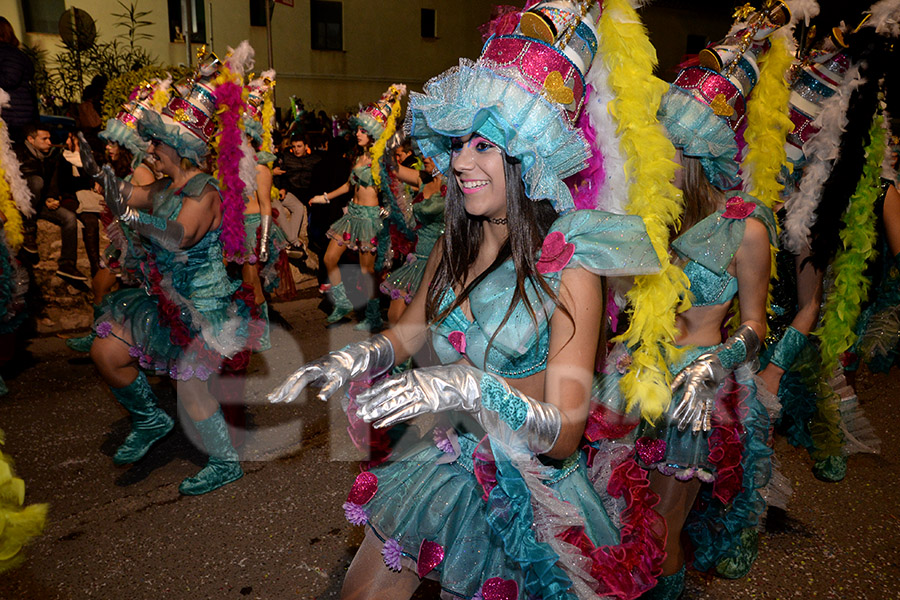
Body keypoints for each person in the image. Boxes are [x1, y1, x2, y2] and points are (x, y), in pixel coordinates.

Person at [269, 6, 671, 597]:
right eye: (458, 143)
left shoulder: (572, 267)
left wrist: (468, 386)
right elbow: (409, 331)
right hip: (446, 452)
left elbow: (564, 433)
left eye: (485, 147)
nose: (460, 162)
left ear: (529, 156)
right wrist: (352, 359)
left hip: (523, 488)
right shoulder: (452, 241)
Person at [85, 69, 259, 496]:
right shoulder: (163, 185)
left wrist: (134, 218)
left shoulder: (205, 191)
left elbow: (179, 234)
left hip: (204, 307)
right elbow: (126, 196)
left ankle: (225, 462)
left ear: (179, 147)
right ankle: (149, 418)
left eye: (156, 143)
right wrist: (102, 174)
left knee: (191, 389)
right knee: (106, 350)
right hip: (164, 301)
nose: (150, 149)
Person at [310, 85, 406, 331]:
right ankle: (342, 302)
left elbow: (393, 189)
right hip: (351, 215)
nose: (359, 133)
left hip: (370, 219)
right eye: (359, 130)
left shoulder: (382, 159)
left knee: (367, 273)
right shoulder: (359, 158)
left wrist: (386, 214)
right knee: (330, 258)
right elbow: (348, 185)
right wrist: (325, 197)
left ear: (374, 134)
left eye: (364, 130)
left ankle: (372, 317)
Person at [15, 123, 87, 284]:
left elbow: (53, 181)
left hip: (39, 204)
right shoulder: (19, 154)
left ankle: (67, 264)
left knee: (69, 218)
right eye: (44, 139)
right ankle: (28, 231)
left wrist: (52, 197)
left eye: (50, 138)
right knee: (36, 181)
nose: (49, 142)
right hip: (22, 205)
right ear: (31, 140)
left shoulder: (51, 157)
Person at [380, 155, 445, 325]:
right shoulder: (422, 179)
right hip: (417, 259)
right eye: (422, 150)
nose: (424, 156)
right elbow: (391, 165)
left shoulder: (457, 183)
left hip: (440, 262)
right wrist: (383, 136)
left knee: (425, 323)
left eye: (430, 152)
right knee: (395, 316)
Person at [0, 17, 38, 146]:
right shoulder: (16, 54)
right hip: (18, 115)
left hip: (12, 117)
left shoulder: (7, 53)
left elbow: (10, 79)